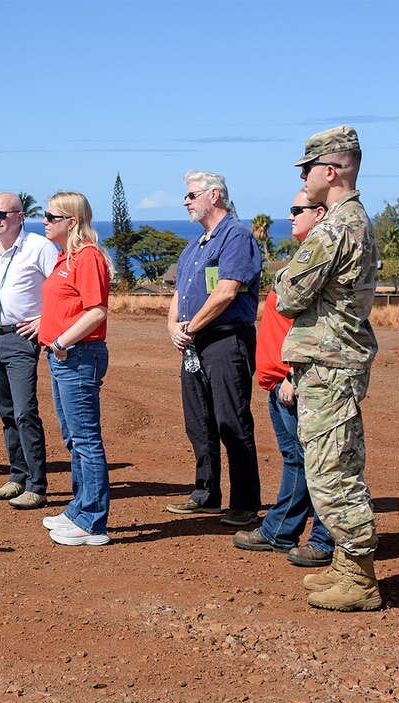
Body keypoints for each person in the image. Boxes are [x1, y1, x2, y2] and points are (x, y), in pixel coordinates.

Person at [274, 125, 381, 611]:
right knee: (333, 462)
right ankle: (344, 562)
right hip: (333, 359)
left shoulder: (336, 227)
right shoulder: (353, 220)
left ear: (330, 170)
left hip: (329, 362)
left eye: (307, 167)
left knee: (331, 470)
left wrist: (283, 272)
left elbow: (290, 294)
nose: (303, 175)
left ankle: (359, 577)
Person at [232, 190, 334, 566]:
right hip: (279, 381)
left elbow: (316, 324)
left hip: (296, 381)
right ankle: (281, 530)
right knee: (297, 458)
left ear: (319, 213)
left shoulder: (320, 262)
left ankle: (325, 537)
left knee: (320, 461)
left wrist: (292, 374)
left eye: (297, 210)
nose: (289, 216)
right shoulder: (302, 258)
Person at [165, 171, 263, 527]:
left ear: (215, 195)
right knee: (199, 422)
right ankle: (206, 494)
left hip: (225, 339)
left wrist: (191, 326)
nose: (186, 201)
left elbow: (226, 291)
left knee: (231, 420)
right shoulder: (195, 245)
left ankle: (245, 503)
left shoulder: (235, 236)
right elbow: (179, 293)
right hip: (195, 342)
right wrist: (173, 325)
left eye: (191, 195)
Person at [0, 192, 58, 509]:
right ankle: (17, 476)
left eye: (3, 214)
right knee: (7, 413)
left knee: (24, 412)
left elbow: (60, 286)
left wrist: (43, 320)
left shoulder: (39, 247)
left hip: (21, 338)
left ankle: (37, 484)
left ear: (19, 216)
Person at [37, 192, 113, 546]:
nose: (45, 221)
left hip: (78, 355)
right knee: (74, 438)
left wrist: (61, 342)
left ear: (72, 221)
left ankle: (94, 522)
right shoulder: (65, 258)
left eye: (51, 217)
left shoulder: (87, 258)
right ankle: (79, 509)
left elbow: (96, 311)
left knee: (85, 440)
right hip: (63, 355)